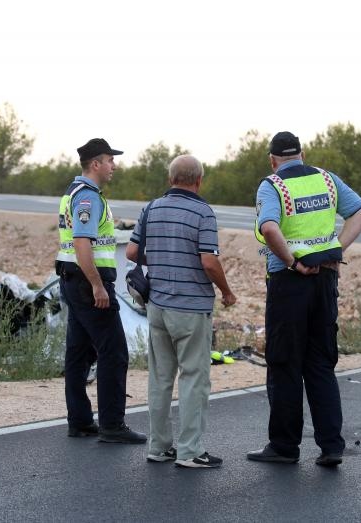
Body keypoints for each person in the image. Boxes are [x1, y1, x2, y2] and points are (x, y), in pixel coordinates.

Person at [246, 132, 361, 466]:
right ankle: (331, 446)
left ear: (272, 160)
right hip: (326, 280)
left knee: (285, 362)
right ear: (302, 153)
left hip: (290, 282)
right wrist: (337, 249)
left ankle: (285, 447)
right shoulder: (327, 180)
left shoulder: (272, 185)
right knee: (320, 363)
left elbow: (270, 228)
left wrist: (292, 261)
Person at [126, 154, 237, 468]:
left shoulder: (151, 208)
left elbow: (133, 252)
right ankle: (190, 451)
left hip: (157, 307)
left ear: (170, 178)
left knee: (160, 379)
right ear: (199, 180)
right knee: (194, 379)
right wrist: (227, 292)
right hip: (190, 309)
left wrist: (162, 259)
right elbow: (209, 261)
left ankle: (158, 447)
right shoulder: (203, 212)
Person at [55, 138, 147, 444]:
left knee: (78, 353)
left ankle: (80, 421)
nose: (114, 166)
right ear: (95, 164)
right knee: (114, 352)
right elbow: (82, 243)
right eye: (109, 160)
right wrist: (97, 285)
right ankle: (112, 424)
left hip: (71, 281)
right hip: (86, 283)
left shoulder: (73, 192)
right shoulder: (88, 197)